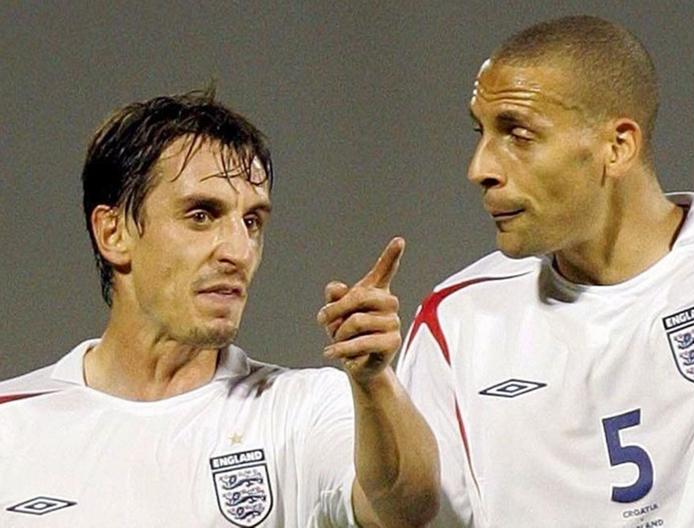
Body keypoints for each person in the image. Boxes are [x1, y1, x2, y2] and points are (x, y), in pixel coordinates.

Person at [396, 15, 694, 527]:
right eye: (482, 132)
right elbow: (409, 510)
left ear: (618, 146)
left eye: (518, 133)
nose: (480, 168)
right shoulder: (458, 319)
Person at [0, 90, 439, 527]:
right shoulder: (11, 425)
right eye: (201, 215)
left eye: (252, 222)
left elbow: (407, 509)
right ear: (114, 233)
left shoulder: (301, 412)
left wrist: (374, 381)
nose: (239, 251)